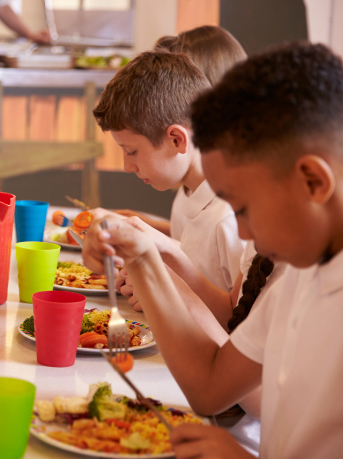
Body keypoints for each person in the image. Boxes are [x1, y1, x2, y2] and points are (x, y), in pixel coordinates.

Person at [83, 42, 343, 459]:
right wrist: (143, 257)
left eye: (244, 208)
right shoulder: (296, 277)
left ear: (313, 181)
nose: (242, 230)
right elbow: (209, 386)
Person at [92, 50, 247, 294]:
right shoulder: (190, 191)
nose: (127, 166)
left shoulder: (229, 219)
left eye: (131, 152)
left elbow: (237, 314)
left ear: (177, 139)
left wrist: (159, 287)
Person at [114, 26, 248, 237]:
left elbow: (211, 242)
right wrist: (143, 224)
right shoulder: (191, 176)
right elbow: (193, 238)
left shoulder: (228, 205)